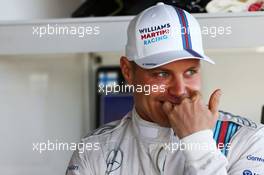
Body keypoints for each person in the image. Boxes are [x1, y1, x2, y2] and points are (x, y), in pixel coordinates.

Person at [66, 2, 264, 175]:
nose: (179, 90)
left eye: (190, 72)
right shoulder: (93, 150)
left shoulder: (249, 140)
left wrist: (198, 143)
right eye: (161, 74)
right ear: (128, 71)